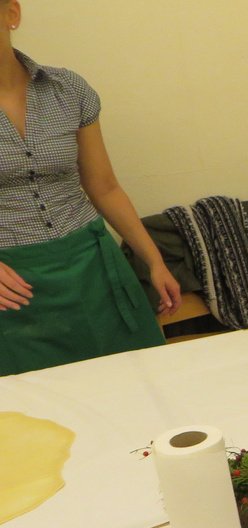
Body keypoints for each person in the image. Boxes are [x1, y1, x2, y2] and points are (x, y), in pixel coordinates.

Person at [0, 0, 179, 376]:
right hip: (13, 286)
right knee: (35, 403)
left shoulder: (67, 89)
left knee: (138, 383)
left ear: (11, 14)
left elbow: (104, 186)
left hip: (94, 267)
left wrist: (154, 261)